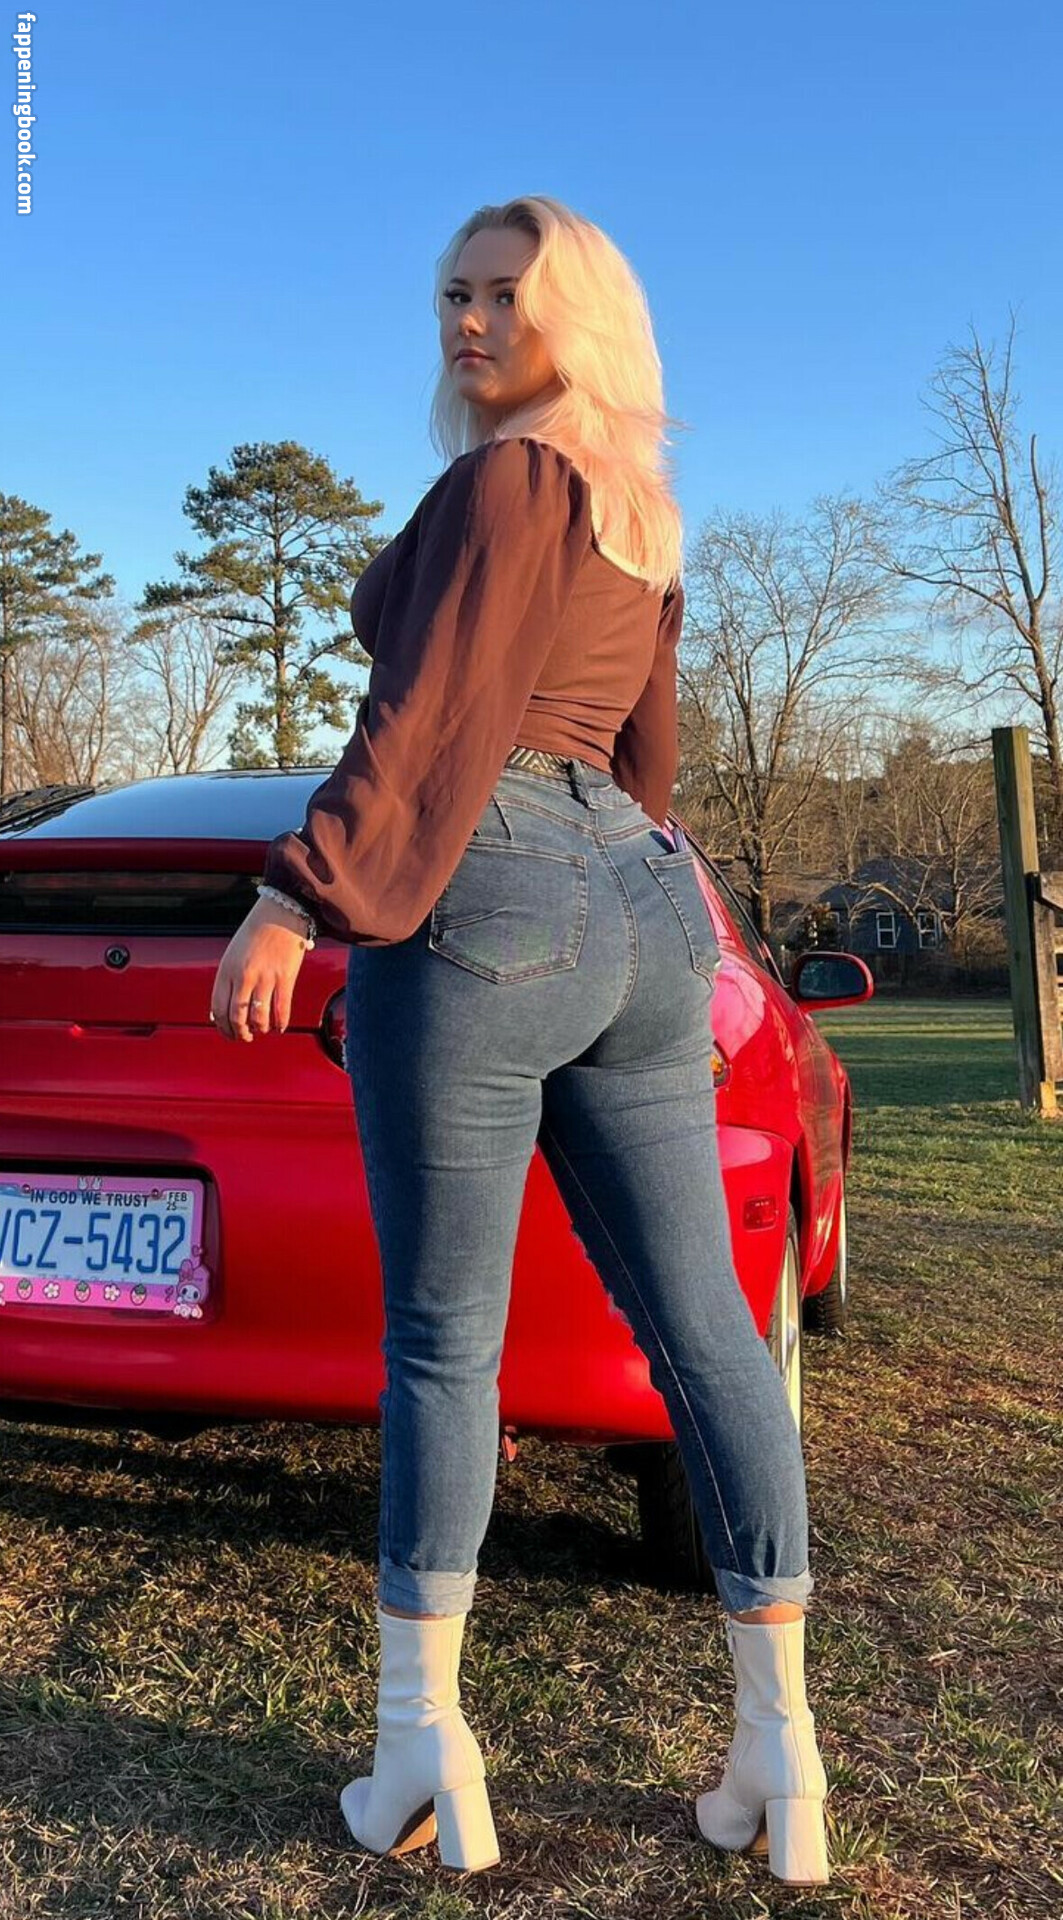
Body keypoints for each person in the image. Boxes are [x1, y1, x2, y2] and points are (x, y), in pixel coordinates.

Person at [209, 195, 830, 1887]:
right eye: (451, 294)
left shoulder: (510, 482)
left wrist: (297, 893)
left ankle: (422, 1746)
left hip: (489, 893)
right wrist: (633, 901)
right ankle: (780, 1750)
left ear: (578, 311)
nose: (466, 321)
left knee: (443, 1342)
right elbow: (651, 753)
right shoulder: (640, 507)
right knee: (709, 1334)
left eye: (502, 293)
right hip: (640, 896)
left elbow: (434, 716)